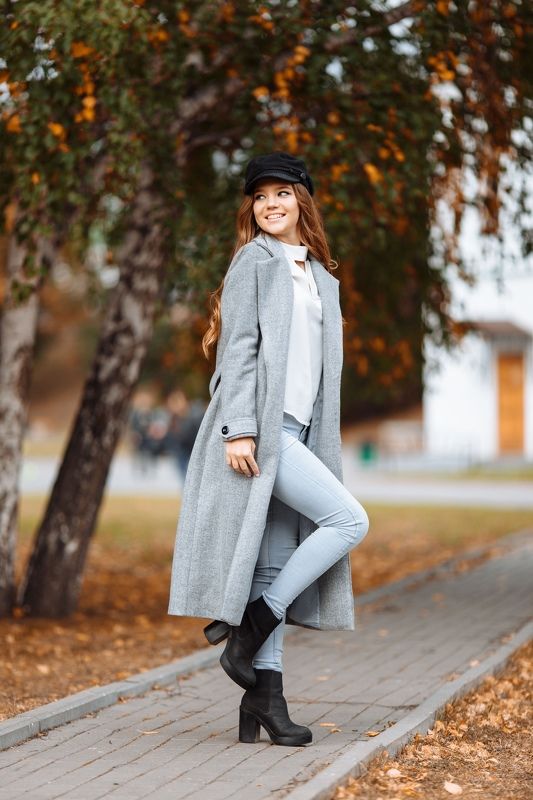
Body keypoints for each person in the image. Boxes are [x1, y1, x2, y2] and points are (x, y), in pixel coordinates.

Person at [167, 151, 370, 747]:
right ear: (251, 208)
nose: (270, 204)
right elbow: (239, 348)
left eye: (282, 193)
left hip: (301, 431)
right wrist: (240, 429)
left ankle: (265, 698)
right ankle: (250, 628)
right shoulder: (253, 261)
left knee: (273, 562)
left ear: (302, 201)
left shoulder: (322, 277)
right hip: (263, 430)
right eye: (260, 197)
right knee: (348, 519)